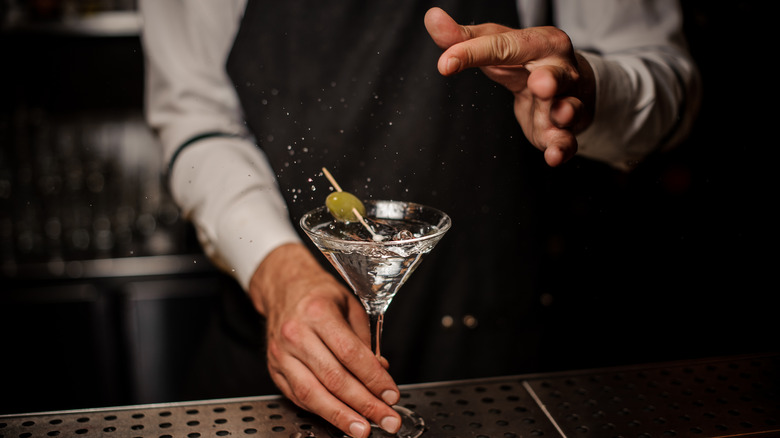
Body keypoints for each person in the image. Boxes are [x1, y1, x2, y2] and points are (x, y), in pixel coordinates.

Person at [139, 1, 700, 436]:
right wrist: (276, 270)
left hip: (503, 353)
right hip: (273, 351)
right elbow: (193, 118)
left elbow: (669, 83)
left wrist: (592, 90)